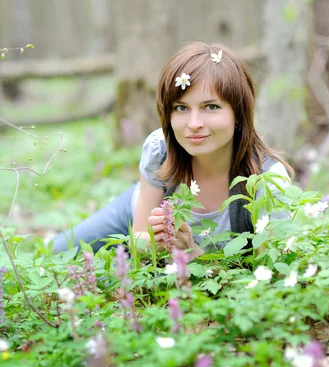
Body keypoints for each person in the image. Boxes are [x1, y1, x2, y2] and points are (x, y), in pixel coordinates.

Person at [53, 42, 293, 259]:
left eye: (211, 106)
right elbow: (139, 240)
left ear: (239, 112)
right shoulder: (161, 149)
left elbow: (268, 280)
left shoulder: (268, 182)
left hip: (198, 263)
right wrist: (155, 240)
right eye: (181, 108)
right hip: (135, 209)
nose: (194, 123)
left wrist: (194, 254)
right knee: (58, 253)